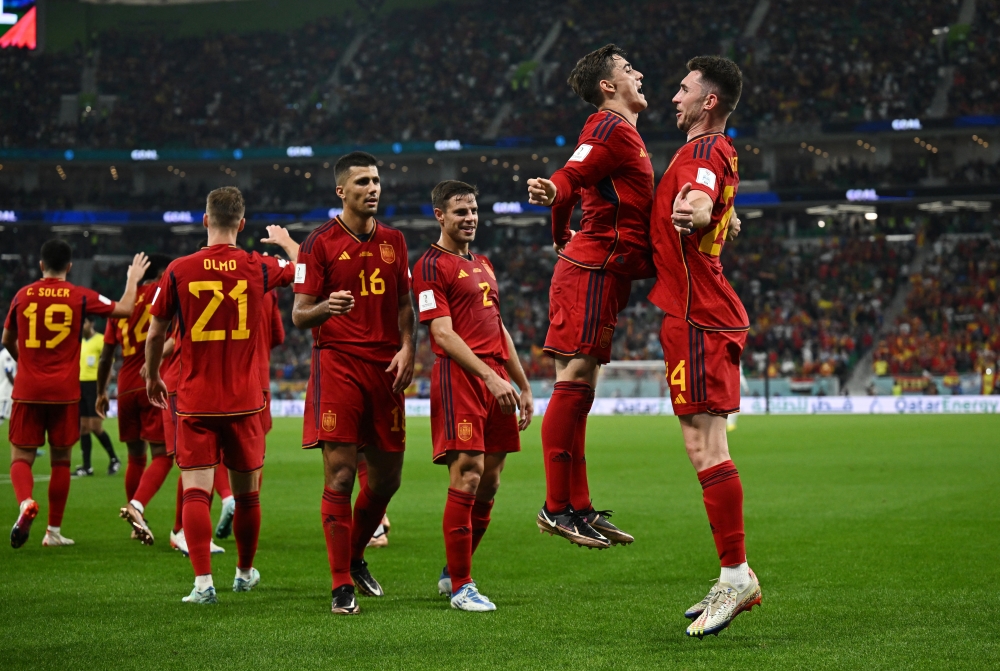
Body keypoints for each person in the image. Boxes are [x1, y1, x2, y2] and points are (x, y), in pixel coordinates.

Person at [647, 55, 760, 638]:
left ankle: (736, 575)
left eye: (684, 88)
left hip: (699, 315)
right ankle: (732, 572)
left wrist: (696, 211)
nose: (674, 96)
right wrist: (717, 216)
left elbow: (700, 200)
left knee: (706, 445)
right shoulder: (710, 151)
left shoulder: (704, 151)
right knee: (700, 445)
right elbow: (717, 205)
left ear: (708, 100)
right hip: (693, 309)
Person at [145, 187, 299, 604]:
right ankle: (245, 572)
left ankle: (201, 584)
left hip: (194, 399)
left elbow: (156, 331)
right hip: (246, 401)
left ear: (204, 220)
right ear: (243, 224)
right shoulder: (258, 266)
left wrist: (152, 374)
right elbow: (306, 273)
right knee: (248, 495)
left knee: (196, 490)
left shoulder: (178, 269)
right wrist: (286, 243)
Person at [526, 44, 652, 549]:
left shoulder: (625, 136)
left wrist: (558, 228)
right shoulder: (607, 127)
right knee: (573, 383)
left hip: (602, 270)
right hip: (591, 269)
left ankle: (578, 506)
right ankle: (556, 508)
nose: (637, 72)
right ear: (608, 86)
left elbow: (578, 186)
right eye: (627, 68)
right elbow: (572, 174)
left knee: (582, 391)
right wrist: (556, 196)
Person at [292, 151, 415, 615]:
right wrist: (328, 307)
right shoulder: (317, 243)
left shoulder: (395, 241)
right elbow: (300, 314)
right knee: (341, 475)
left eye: (377, 180)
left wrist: (408, 348)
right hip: (337, 365)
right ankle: (341, 583)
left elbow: (406, 305)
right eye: (363, 181)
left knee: (386, 481)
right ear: (341, 191)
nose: (373, 188)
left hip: (386, 369)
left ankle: (356, 554)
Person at [412, 181, 533, 612]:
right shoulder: (429, 265)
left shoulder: (483, 263)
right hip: (461, 376)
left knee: (491, 481)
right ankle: (463, 586)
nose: (470, 218)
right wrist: (488, 377)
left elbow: (498, 327)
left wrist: (521, 383)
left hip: (496, 376)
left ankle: (452, 572)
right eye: (460, 211)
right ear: (440, 216)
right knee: (467, 473)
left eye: (474, 210)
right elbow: (442, 334)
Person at [3, 239, 148, 548]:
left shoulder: (22, 295)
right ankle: (53, 532)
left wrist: (25, 362)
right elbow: (123, 309)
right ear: (69, 267)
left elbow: (7, 338)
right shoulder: (79, 296)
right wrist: (133, 280)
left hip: (28, 389)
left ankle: (25, 502)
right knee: (61, 461)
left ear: (41, 265)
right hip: (64, 393)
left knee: (21, 457)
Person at [99, 254, 174, 544]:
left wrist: (101, 392)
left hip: (125, 385)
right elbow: (178, 333)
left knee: (135, 456)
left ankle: (136, 523)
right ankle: (137, 506)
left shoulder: (125, 303)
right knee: (163, 456)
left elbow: (107, 356)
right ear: (163, 272)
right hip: (152, 380)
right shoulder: (165, 291)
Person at [75, 317, 121, 476]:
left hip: (95, 386)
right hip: (80, 385)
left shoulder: (100, 340)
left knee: (95, 427)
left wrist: (104, 389)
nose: (82, 326)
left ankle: (114, 458)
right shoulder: (79, 342)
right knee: (83, 428)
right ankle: (87, 466)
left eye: (84, 322)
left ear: (92, 323)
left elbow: (107, 365)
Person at [0, 344, 16, 428]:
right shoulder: (7, 354)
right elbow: (9, 372)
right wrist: (17, 386)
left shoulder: (3, 353)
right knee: (1, 417)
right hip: (6, 392)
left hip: (5, 391)